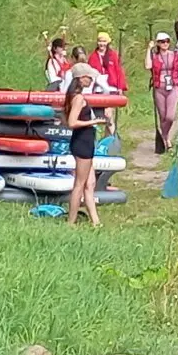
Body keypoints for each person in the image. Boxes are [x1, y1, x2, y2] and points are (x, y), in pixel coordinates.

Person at [64, 62, 108, 226]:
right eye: (89, 77)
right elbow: (72, 122)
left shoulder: (73, 96)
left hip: (83, 142)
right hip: (83, 142)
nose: (91, 80)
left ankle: (96, 222)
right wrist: (93, 121)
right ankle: (71, 222)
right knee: (79, 184)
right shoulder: (78, 98)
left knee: (90, 183)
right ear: (81, 78)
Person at [145, 32, 178, 149]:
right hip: (159, 87)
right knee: (162, 116)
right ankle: (166, 139)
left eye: (167, 41)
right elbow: (147, 66)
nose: (165, 43)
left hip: (173, 87)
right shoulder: (154, 56)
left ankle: (164, 136)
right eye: (162, 41)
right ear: (158, 43)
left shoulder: (175, 54)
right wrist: (149, 49)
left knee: (170, 116)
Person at [89, 32, 126, 134]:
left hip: (111, 88)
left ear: (107, 42)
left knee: (109, 115)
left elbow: (118, 71)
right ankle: (108, 138)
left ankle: (112, 138)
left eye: (104, 41)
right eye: (100, 41)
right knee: (102, 116)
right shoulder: (93, 56)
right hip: (98, 90)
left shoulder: (112, 55)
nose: (102, 44)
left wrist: (120, 87)